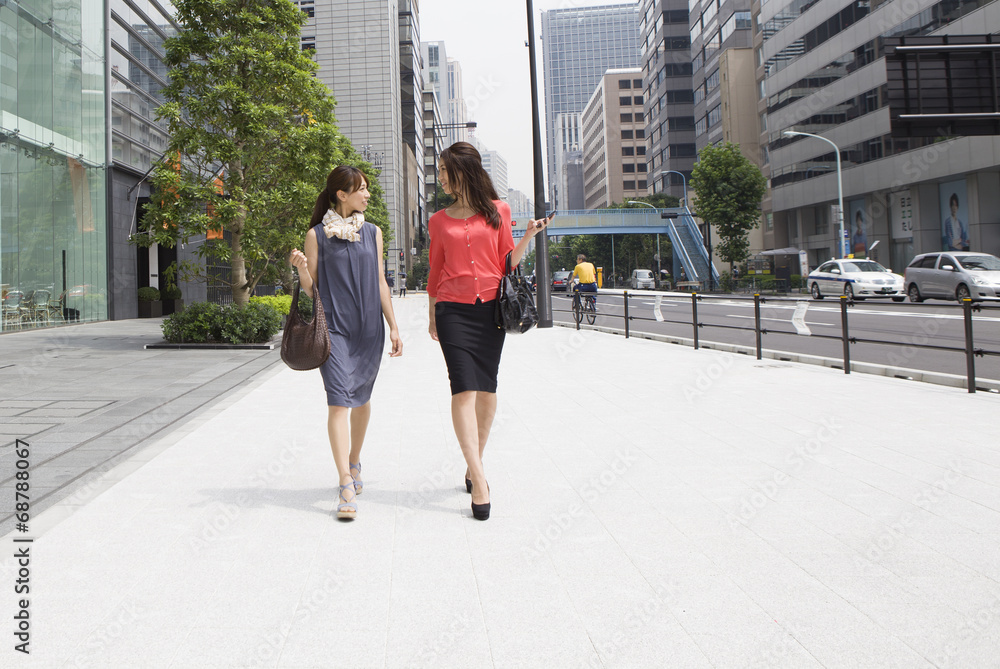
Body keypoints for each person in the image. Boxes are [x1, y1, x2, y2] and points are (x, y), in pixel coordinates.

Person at [427, 142, 550, 521]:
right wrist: (432, 316)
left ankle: (472, 462)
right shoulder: (438, 221)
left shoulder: (499, 211)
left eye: (446, 170)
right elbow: (435, 272)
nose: (442, 177)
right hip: (452, 311)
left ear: (464, 169)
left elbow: (505, 262)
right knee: (462, 387)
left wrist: (526, 236)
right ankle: (479, 479)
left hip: (489, 312)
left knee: (487, 391)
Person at [289, 166, 403, 520]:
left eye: (367, 189)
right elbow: (313, 289)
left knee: (362, 399)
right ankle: (344, 482)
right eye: (362, 189)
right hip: (334, 329)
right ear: (342, 194)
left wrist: (394, 326)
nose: (367, 195)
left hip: (369, 328)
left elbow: (382, 283)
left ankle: (355, 461)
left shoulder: (373, 233)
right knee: (339, 402)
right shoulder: (317, 235)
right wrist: (301, 270)